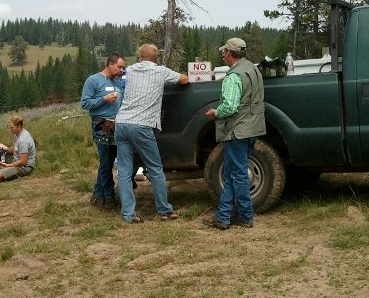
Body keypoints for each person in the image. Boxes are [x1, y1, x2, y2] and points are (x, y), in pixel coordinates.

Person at [114, 43, 188, 223]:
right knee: (155, 168)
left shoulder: (130, 70)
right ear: (156, 59)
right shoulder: (160, 71)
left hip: (122, 123)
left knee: (124, 171)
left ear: (140, 57)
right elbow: (184, 80)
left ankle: (128, 214)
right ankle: (164, 210)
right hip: (142, 125)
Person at [202, 38, 266, 230]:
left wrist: (215, 114)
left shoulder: (234, 76)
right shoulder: (253, 70)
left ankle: (245, 216)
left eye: (224, 51)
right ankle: (223, 217)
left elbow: (230, 106)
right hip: (253, 127)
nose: (223, 54)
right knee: (231, 173)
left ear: (229, 53)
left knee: (237, 174)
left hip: (237, 130)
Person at [80, 53, 125, 209]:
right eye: (119, 66)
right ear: (110, 64)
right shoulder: (93, 80)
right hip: (101, 124)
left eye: (123, 67)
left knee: (111, 160)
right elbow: (85, 103)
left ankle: (98, 194)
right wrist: (103, 100)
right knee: (106, 161)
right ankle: (108, 196)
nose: (121, 70)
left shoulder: (118, 83)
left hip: (117, 124)